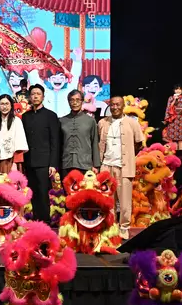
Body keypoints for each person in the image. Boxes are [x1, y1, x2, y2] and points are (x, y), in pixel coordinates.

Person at [98, 95, 144, 240]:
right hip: (106, 166)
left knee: (124, 203)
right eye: (112, 104)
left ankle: (124, 227)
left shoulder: (132, 123)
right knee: (108, 201)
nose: (115, 107)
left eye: (118, 104)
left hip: (124, 167)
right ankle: (111, 226)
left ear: (123, 106)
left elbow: (139, 143)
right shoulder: (102, 122)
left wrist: (129, 157)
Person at [22, 84, 60, 223]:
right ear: (29, 97)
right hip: (29, 161)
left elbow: (55, 141)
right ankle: (36, 221)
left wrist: (53, 164)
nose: (36, 96)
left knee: (43, 193)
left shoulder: (51, 116)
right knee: (33, 193)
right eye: (33, 94)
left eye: (38, 94)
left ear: (43, 96)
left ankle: (45, 222)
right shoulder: (25, 117)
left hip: (44, 162)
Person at [59, 90, 100, 177]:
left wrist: (96, 165)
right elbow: (58, 144)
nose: (75, 103)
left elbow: (94, 143)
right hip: (66, 164)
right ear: (68, 102)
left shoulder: (90, 121)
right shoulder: (62, 121)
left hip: (85, 164)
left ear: (82, 101)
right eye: (72, 100)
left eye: (78, 100)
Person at [0, 94, 28, 173]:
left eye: (7, 104)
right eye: (2, 104)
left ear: (11, 106)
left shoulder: (16, 121)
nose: (4, 107)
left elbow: (20, 143)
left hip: (11, 162)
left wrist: (15, 163)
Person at [163, 84, 182, 151]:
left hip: (181, 119)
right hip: (173, 120)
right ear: (174, 90)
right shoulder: (171, 98)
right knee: (173, 138)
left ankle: (181, 153)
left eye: (179, 89)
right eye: (176, 89)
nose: (178, 90)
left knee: (181, 138)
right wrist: (174, 100)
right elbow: (168, 108)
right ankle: (174, 152)